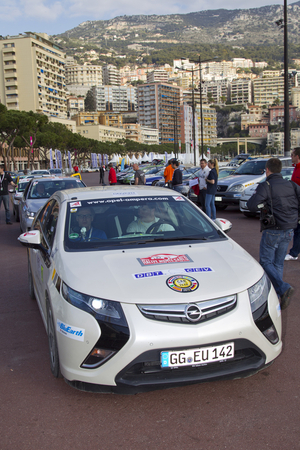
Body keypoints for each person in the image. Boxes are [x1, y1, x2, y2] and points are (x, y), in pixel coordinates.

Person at [248, 157, 300, 310]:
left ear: (267, 170)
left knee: (265, 261)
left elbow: (251, 205)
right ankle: (278, 295)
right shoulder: (292, 185)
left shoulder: (267, 185)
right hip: (289, 228)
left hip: (273, 228)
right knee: (278, 263)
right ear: (280, 170)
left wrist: (263, 204)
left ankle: (283, 288)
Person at [285, 147, 300, 261]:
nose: (291, 157)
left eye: (292, 155)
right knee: (297, 228)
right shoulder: (295, 168)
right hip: (295, 202)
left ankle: (294, 253)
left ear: (297, 156)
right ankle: (294, 252)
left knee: (298, 228)